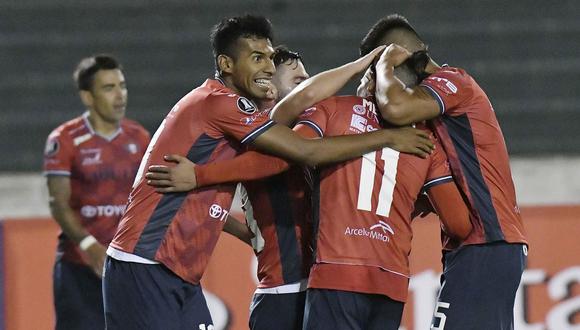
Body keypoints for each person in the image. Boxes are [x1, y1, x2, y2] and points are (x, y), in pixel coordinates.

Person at [102, 14, 434, 330]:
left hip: (184, 273)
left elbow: (298, 117)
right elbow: (298, 153)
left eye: (269, 58)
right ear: (227, 64)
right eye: (258, 59)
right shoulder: (230, 107)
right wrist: (388, 133)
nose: (267, 67)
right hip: (150, 263)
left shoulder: (257, 123)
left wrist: (226, 212)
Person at [146, 51, 472, 330]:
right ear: (270, 87)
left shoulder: (319, 130)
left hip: (318, 282)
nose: (309, 87)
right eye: (298, 79)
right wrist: (202, 179)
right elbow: (282, 160)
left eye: (307, 78)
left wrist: (243, 228)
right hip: (284, 292)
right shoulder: (272, 131)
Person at [360, 14, 528, 330]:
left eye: (383, 68)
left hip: (487, 241)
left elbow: (396, 107)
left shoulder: (454, 83)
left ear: (398, 58)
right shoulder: (435, 106)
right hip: (488, 244)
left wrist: (381, 69)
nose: (383, 84)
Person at [43, 54, 150, 330]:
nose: (120, 96)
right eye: (108, 88)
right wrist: (89, 246)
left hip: (126, 267)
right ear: (88, 97)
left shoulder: (139, 138)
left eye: (122, 86)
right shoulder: (65, 140)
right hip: (79, 267)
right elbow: (58, 203)